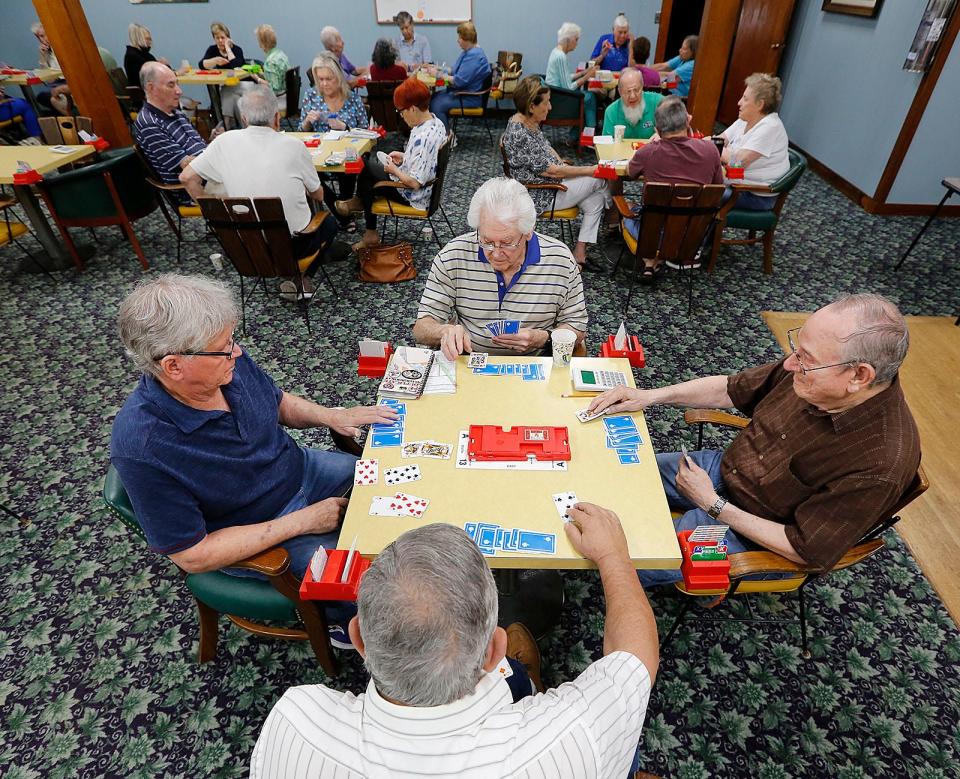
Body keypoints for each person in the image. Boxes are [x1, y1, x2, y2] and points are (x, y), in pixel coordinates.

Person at [250, 512, 659, 779]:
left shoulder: (294, 721)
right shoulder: (575, 735)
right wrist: (612, 556)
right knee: (623, 748)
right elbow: (635, 659)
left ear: (358, 638)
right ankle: (523, 678)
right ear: (494, 649)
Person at [111, 274, 398, 637]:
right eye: (224, 347)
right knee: (370, 585)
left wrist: (331, 415)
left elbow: (277, 402)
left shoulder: (222, 362)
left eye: (232, 339)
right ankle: (345, 626)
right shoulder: (142, 447)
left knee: (398, 481)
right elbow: (192, 555)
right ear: (173, 366)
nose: (238, 352)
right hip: (257, 529)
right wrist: (304, 521)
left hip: (300, 468)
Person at [588, 293, 921, 587]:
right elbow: (732, 388)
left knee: (629, 561)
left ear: (859, 376)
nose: (790, 364)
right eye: (798, 349)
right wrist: (650, 396)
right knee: (616, 476)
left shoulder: (880, 462)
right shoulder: (815, 371)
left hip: (755, 532)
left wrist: (712, 504)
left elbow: (806, 550)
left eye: (806, 359)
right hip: (728, 467)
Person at [179, 85, 339, 300]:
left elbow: (187, 177)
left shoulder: (223, 141)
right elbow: (319, 195)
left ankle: (293, 277)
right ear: (277, 117)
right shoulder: (294, 146)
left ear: (244, 118)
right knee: (328, 222)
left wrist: (215, 214)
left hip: (245, 247)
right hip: (292, 247)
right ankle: (300, 276)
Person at [413, 177, 587, 359]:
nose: (495, 254)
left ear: (528, 232)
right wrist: (443, 331)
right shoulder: (454, 254)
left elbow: (577, 327)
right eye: (487, 242)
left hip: (536, 366)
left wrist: (544, 339)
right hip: (469, 363)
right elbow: (421, 328)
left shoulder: (560, 259)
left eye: (507, 243)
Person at [502, 76, 612, 269]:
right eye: (546, 102)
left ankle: (579, 255)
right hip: (540, 194)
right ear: (531, 106)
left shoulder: (524, 121)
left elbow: (547, 147)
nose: (550, 107)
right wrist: (591, 169)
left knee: (595, 200)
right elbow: (551, 172)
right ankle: (615, 219)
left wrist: (562, 163)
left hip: (548, 185)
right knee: (602, 180)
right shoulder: (520, 133)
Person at [335, 78, 446, 253]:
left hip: (414, 195)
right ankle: (361, 211)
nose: (401, 115)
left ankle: (361, 211)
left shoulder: (422, 137)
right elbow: (427, 160)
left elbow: (415, 183)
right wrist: (405, 157)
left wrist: (393, 169)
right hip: (426, 189)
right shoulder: (435, 122)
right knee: (369, 172)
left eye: (401, 111)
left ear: (412, 108)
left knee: (366, 169)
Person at [622, 96, 722, 280]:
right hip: (692, 235)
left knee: (628, 208)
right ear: (687, 122)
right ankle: (656, 262)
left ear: (657, 129)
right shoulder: (711, 150)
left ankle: (650, 262)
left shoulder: (648, 151)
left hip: (652, 235)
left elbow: (629, 172)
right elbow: (718, 188)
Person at [299, 54, 368, 225]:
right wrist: (308, 121)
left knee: (349, 165)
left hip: (347, 154)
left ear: (338, 77)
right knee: (307, 171)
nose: (324, 84)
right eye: (320, 79)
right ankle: (341, 211)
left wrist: (344, 127)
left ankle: (344, 207)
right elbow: (302, 131)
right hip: (318, 153)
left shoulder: (352, 98)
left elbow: (365, 131)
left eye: (328, 79)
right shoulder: (311, 96)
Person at [716, 73, 790, 211]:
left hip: (753, 195)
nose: (739, 102)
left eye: (745, 99)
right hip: (736, 185)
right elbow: (719, 140)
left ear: (760, 104)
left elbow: (737, 162)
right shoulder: (744, 119)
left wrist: (716, 149)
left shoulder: (771, 127)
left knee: (700, 194)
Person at [134, 62, 212, 190]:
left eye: (177, 84)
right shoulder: (149, 123)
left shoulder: (175, 112)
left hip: (208, 175)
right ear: (151, 88)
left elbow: (197, 146)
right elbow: (187, 165)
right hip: (194, 189)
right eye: (171, 85)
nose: (179, 91)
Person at [428, 22, 490, 130]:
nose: (458, 40)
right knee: (433, 97)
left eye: (460, 38)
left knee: (436, 105)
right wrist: (440, 68)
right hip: (463, 93)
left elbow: (458, 81)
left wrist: (438, 74)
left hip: (470, 97)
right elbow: (454, 70)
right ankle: (444, 130)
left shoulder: (474, 57)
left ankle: (447, 136)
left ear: (467, 39)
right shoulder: (470, 51)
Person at [546, 22, 601, 131]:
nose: (577, 43)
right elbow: (569, 88)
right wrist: (587, 76)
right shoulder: (561, 57)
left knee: (587, 98)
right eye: (576, 39)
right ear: (568, 40)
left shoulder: (556, 52)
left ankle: (575, 136)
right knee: (590, 98)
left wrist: (583, 73)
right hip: (560, 101)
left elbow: (563, 77)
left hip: (555, 95)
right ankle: (590, 132)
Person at [199, 21, 255, 129]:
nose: (220, 40)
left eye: (222, 37)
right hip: (228, 86)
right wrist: (214, 60)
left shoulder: (237, 49)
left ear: (228, 38)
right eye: (217, 38)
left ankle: (226, 124)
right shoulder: (212, 50)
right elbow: (202, 64)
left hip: (244, 85)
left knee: (225, 90)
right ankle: (235, 126)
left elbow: (237, 66)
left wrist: (228, 48)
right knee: (231, 96)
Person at [602, 67, 663, 140]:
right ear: (620, 92)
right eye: (628, 92)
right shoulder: (611, 112)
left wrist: (663, 135)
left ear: (642, 86)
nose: (633, 96)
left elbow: (676, 130)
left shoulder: (658, 102)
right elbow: (605, 145)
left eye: (637, 90)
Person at [124, 23, 171, 91]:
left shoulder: (143, 55)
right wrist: (166, 67)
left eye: (150, 39)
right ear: (138, 39)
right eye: (147, 39)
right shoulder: (134, 57)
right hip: (145, 96)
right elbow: (156, 77)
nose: (150, 42)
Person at [254, 24, 290, 103]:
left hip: (278, 100)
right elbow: (277, 78)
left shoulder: (270, 62)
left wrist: (257, 78)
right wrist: (262, 74)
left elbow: (274, 89)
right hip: (286, 97)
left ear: (262, 43)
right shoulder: (281, 54)